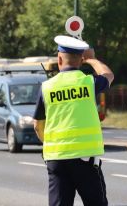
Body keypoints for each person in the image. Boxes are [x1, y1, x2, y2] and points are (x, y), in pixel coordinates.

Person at [33, 35, 114, 206]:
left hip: (56, 159)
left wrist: (50, 143)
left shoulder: (46, 87)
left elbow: (37, 125)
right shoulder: (88, 83)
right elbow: (108, 75)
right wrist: (92, 60)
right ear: (80, 60)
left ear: (59, 58)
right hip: (85, 160)